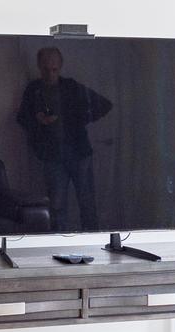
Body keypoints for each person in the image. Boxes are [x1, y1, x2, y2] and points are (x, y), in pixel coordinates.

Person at [15, 46, 112, 231]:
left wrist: (76, 119)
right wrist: (38, 119)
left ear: (60, 67)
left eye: (54, 69)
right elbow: (21, 118)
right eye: (46, 69)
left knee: (87, 203)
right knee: (57, 207)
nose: (50, 74)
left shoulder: (71, 87)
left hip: (79, 153)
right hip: (52, 156)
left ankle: (92, 239)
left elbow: (104, 105)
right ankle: (59, 242)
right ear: (39, 66)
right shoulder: (33, 89)